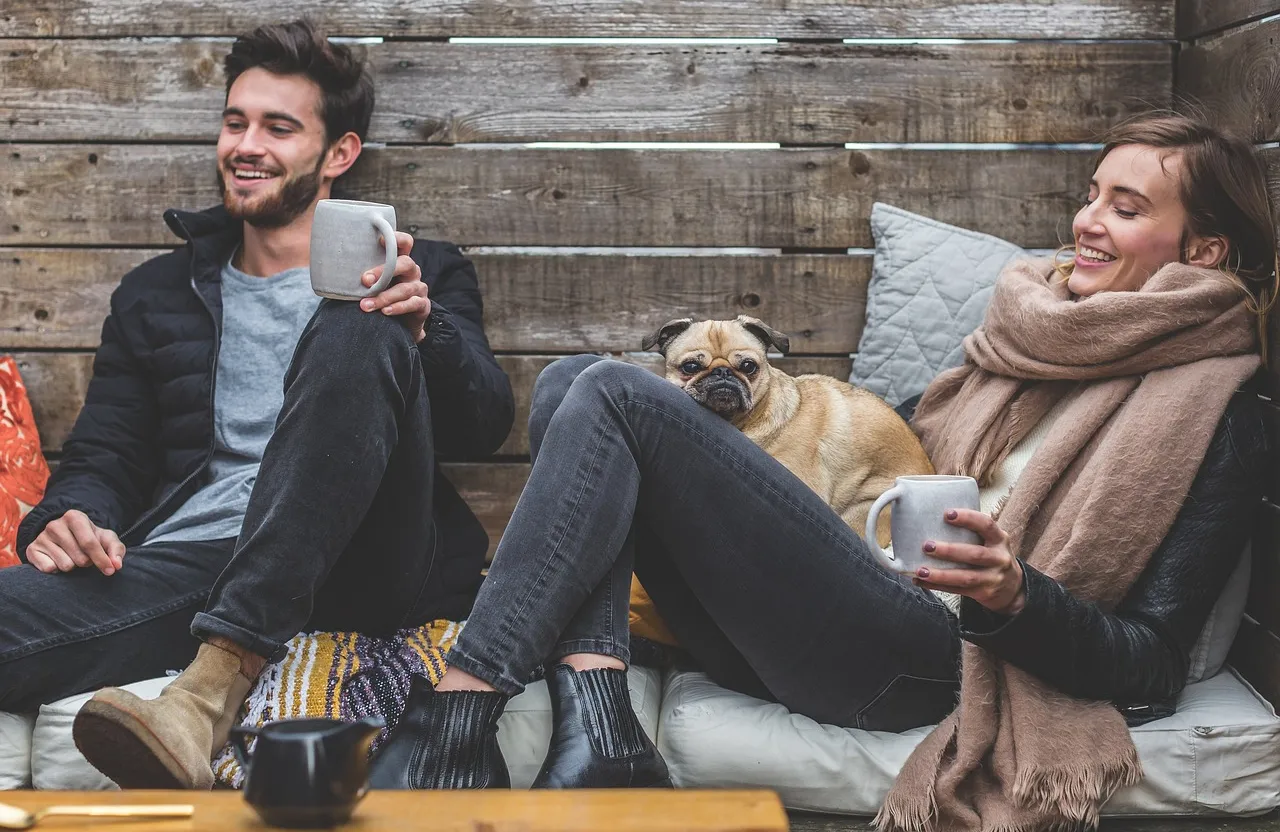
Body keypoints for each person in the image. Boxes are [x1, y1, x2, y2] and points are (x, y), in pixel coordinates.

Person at [366, 113, 1276, 829]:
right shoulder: (1032, 338)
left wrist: (1015, 597)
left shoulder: (1209, 409)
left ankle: (457, 714)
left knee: (607, 389)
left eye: (1126, 207)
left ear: (1203, 252)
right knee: (573, 383)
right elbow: (897, 455)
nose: (1086, 221)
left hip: (934, 660)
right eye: (1091, 194)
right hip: (847, 609)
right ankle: (603, 729)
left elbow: (1155, 665)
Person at [1, 21, 513, 790]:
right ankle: (227, 645)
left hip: (360, 558)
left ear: (338, 153)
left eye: (279, 127)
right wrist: (63, 520)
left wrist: (425, 326)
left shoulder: (421, 269)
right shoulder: (154, 297)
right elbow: (107, 457)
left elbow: (485, 422)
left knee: (357, 313)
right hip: (192, 569)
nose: (246, 145)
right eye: (235, 122)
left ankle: (213, 684)